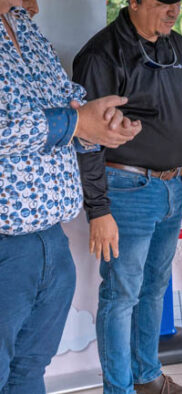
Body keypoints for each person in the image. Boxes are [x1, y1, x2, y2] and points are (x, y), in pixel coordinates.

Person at [0, 1, 141, 392]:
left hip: (51, 240)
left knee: (30, 369)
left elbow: (68, 100)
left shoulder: (22, 25)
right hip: (6, 246)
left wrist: (101, 123)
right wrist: (77, 121)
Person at [71, 0, 182, 393]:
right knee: (121, 295)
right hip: (125, 188)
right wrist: (98, 209)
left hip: (172, 186)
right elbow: (85, 138)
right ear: (134, 2)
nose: (173, 10)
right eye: (163, 3)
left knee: (154, 288)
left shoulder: (178, 45)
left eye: (177, 2)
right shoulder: (101, 54)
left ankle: (147, 378)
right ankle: (120, 389)